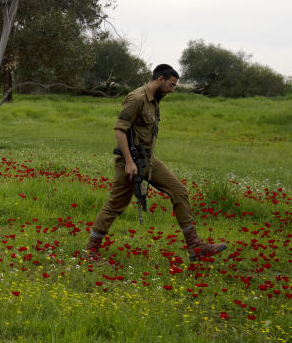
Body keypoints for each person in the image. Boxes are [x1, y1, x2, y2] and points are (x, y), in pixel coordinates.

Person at [85, 64, 227, 263]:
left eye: (174, 86)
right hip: (131, 161)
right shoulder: (136, 98)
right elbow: (120, 129)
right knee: (116, 205)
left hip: (148, 160)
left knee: (179, 191)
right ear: (160, 79)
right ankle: (90, 251)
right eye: (171, 84)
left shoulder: (154, 100)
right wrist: (128, 162)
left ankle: (195, 246)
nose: (172, 89)